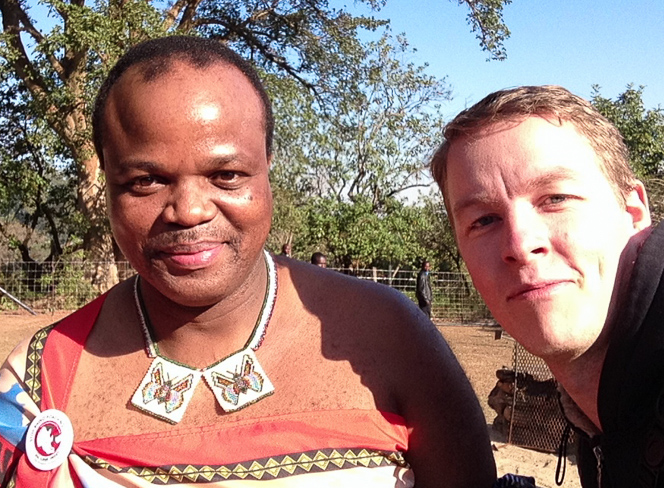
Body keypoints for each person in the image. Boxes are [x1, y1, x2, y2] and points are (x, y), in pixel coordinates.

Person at [0, 36, 496, 487]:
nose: (189, 210)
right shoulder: (33, 388)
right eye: (146, 181)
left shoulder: (392, 341)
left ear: (267, 168)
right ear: (105, 182)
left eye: (228, 175)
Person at [430, 85, 664, 487]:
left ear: (633, 212)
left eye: (556, 198)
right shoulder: (605, 416)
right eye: (483, 221)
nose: (520, 245)